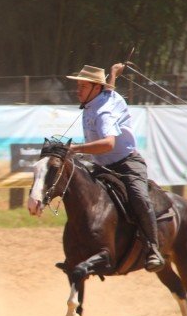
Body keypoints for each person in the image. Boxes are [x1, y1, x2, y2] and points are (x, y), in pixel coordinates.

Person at [66, 63, 165, 272]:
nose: (78, 90)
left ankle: (153, 248)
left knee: (139, 197)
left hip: (126, 163)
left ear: (95, 88)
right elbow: (109, 90)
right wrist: (113, 74)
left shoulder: (103, 112)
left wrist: (77, 149)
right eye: (78, 86)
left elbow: (108, 144)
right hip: (103, 166)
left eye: (82, 86)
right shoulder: (100, 96)